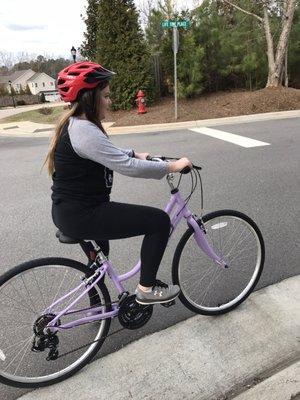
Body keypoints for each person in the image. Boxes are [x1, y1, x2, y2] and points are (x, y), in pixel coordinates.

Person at [44, 61, 192, 305]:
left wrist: (133, 152)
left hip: (69, 211)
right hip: (84, 213)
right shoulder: (84, 131)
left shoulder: (77, 125)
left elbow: (104, 152)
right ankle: (146, 289)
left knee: (98, 264)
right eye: (106, 96)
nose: (109, 101)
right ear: (90, 98)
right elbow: (126, 167)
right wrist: (172, 166)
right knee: (159, 222)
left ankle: (95, 308)